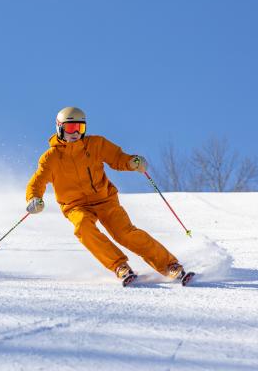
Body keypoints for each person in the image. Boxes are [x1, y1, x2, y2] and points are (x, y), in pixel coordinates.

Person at [26, 106, 191, 286]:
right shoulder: (50, 158)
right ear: (59, 128)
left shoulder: (96, 144)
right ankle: (120, 266)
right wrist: (34, 198)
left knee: (125, 233)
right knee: (83, 227)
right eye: (70, 128)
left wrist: (132, 162)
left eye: (79, 128)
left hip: (105, 200)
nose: (75, 133)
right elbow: (37, 182)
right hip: (75, 206)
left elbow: (117, 157)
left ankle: (170, 265)